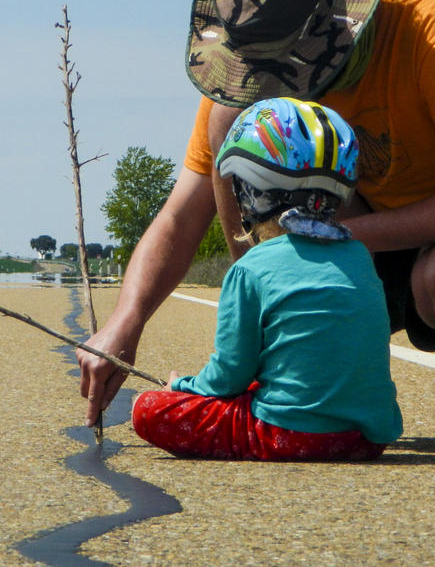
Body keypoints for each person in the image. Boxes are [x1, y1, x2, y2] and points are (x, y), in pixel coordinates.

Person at [78, 0, 435, 445]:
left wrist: (331, 238)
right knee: (231, 122)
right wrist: (124, 325)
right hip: (370, 240)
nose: (268, 82)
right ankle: (266, 336)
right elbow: (181, 213)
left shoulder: (434, 31)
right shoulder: (255, 65)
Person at [131, 97, 402, 460]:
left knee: (148, 409)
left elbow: (228, 377)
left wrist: (181, 386)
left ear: (254, 192)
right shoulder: (358, 256)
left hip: (288, 434)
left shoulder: (252, 268)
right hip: (367, 438)